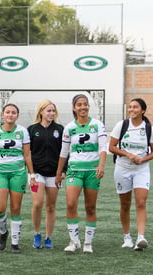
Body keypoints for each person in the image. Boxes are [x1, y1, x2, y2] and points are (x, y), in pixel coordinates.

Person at [55, 94, 107, 253]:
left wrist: (101, 166)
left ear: (88, 107)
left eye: (85, 104)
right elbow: (64, 152)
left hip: (92, 171)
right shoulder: (69, 127)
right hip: (74, 171)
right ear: (74, 108)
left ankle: (88, 244)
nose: (83, 107)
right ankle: (74, 241)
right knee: (71, 204)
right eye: (79, 105)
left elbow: (103, 148)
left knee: (90, 207)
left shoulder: (97, 125)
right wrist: (58, 173)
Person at [108, 98, 153, 251]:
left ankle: (141, 237)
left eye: (135, 107)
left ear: (143, 110)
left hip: (141, 169)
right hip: (122, 168)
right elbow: (111, 147)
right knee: (125, 204)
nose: (131, 110)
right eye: (130, 107)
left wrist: (142, 159)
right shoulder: (121, 125)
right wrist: (128, 155)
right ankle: (127, 237)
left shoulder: (148, 128)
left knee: (141, 202)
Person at [0, 103, 34, 254]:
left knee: (15, 208)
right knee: (0, 208)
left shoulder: (22, 132)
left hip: (18, 173)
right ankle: (3, 232)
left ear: (17, 116)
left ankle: (15, 243)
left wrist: (32, 175)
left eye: (13, 112)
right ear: (2, 115)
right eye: (8, 112)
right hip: (0, 173)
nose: (10, 115)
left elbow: (27, 155)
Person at [27, 100, 65, 249]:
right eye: (48, 110)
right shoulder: (32, 129)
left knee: (50, 206)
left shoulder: (60, 129)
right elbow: (27, 153)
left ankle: (49, 237)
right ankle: (37, 234)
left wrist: (62, 171)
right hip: (36, 174)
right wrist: (31, 173)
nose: (51, 113)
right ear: (41, 112)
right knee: (37, 203)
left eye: (53, 111)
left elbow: (65, 152)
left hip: (54, 175)